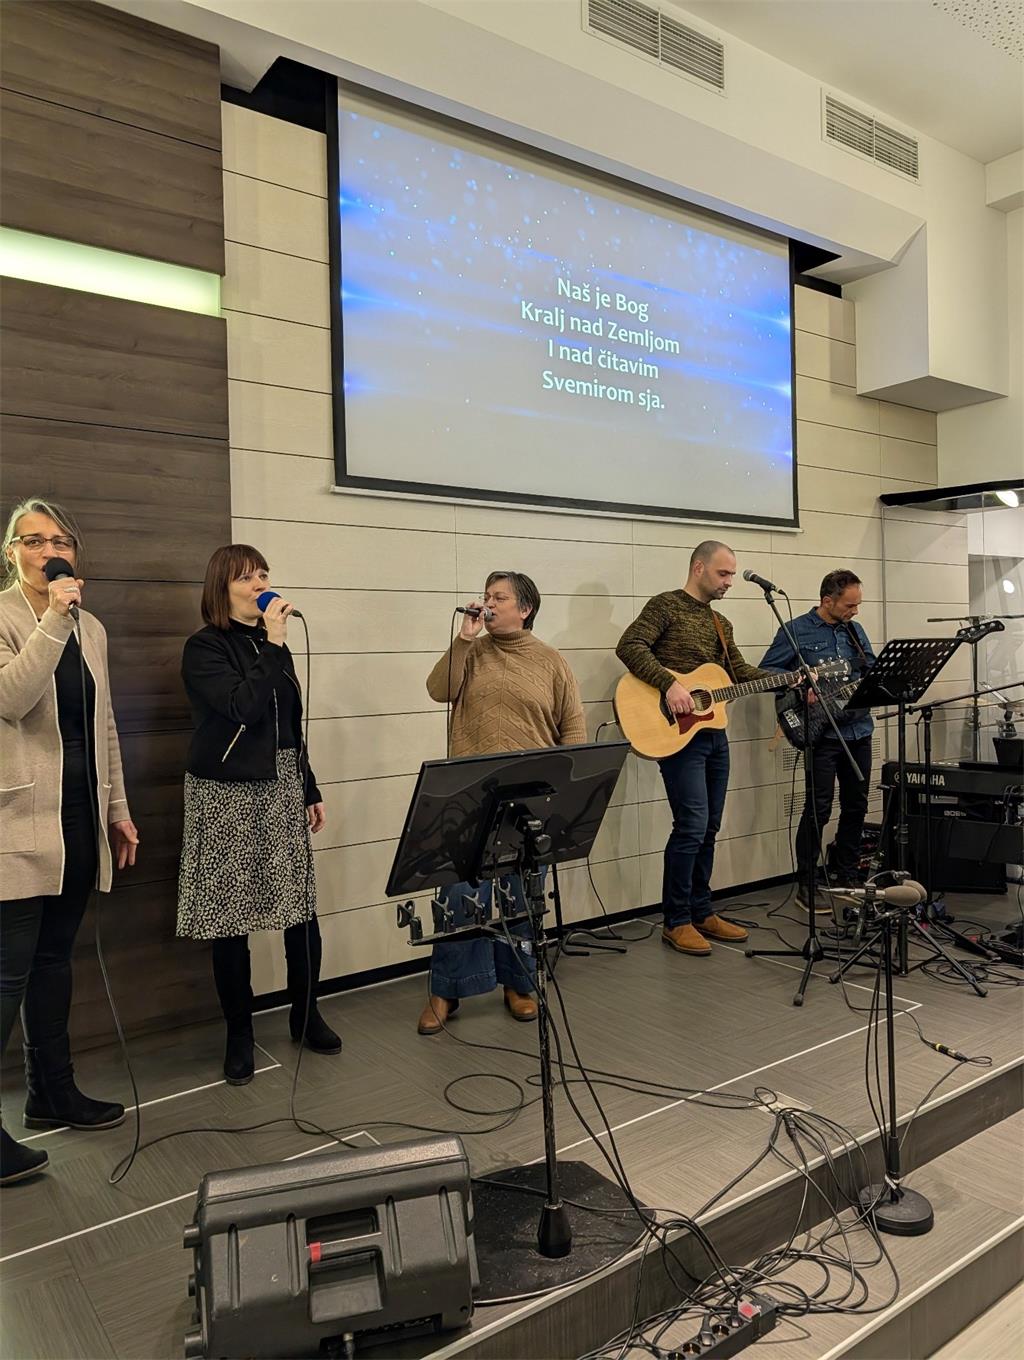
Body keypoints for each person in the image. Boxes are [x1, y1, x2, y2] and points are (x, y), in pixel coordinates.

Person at [0, 498, 139, 1186]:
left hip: (79, 818)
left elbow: (104, 722)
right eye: (33, 540)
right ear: (12, 553)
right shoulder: (7, 616)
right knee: (7, 973)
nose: (49, 551)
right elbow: (11, 699)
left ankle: (50, 1092)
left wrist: (118, 809)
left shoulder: (94, 627)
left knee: (54, 961)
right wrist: (54, 617)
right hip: (18, 819)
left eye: (60, 541)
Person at [177, 545, 339, 1086]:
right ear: (221, 589)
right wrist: (273, 642)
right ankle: (239, 1034)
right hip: (226, 792)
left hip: (282, 782)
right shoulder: (205, 647)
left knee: (300, 908)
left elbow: (289, 723)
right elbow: (243, 708)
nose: (260, 584)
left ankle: (306, 1014)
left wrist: (308, 786)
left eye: (264, 574)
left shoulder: (276, 647)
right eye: (246, 577)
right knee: (232, 917)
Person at [418, 571, 586, 1034]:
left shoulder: (552, 661)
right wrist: (463, 638)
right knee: (459, 891)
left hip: (529, 798)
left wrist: (566, 795)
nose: (488, 603)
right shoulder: (471, 652)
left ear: (525, 609)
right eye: (487, 595)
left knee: (521, 893)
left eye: (500, 597)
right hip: (470, 792)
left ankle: (519, 982)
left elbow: (572, 727)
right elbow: (438, 689)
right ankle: (447, 988)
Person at [616, 541, 772, 958]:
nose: (729, 582)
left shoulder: (721, 623)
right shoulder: (665, 605)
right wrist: (671, 685)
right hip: (676, 735)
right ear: (699, 568)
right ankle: (676, 920)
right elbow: (629, 646)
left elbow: (739, 672)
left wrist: (788, 678)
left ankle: (702, 911)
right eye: (723, 573)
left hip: (714, 734)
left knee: (710, 826)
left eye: (732, 574)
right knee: (691, 825)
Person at [761, 569, 876, 905]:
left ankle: (847, 873)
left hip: (858, 729)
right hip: (822, 734)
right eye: (849, 605)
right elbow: (766, 671)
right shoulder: (795, 630)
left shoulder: (855, 631)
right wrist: (800, 683)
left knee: (856, 805)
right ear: (828, 601)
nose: (855, 611)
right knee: (818, 808)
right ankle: (808, 882)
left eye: (857, 605)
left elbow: (869, 668)